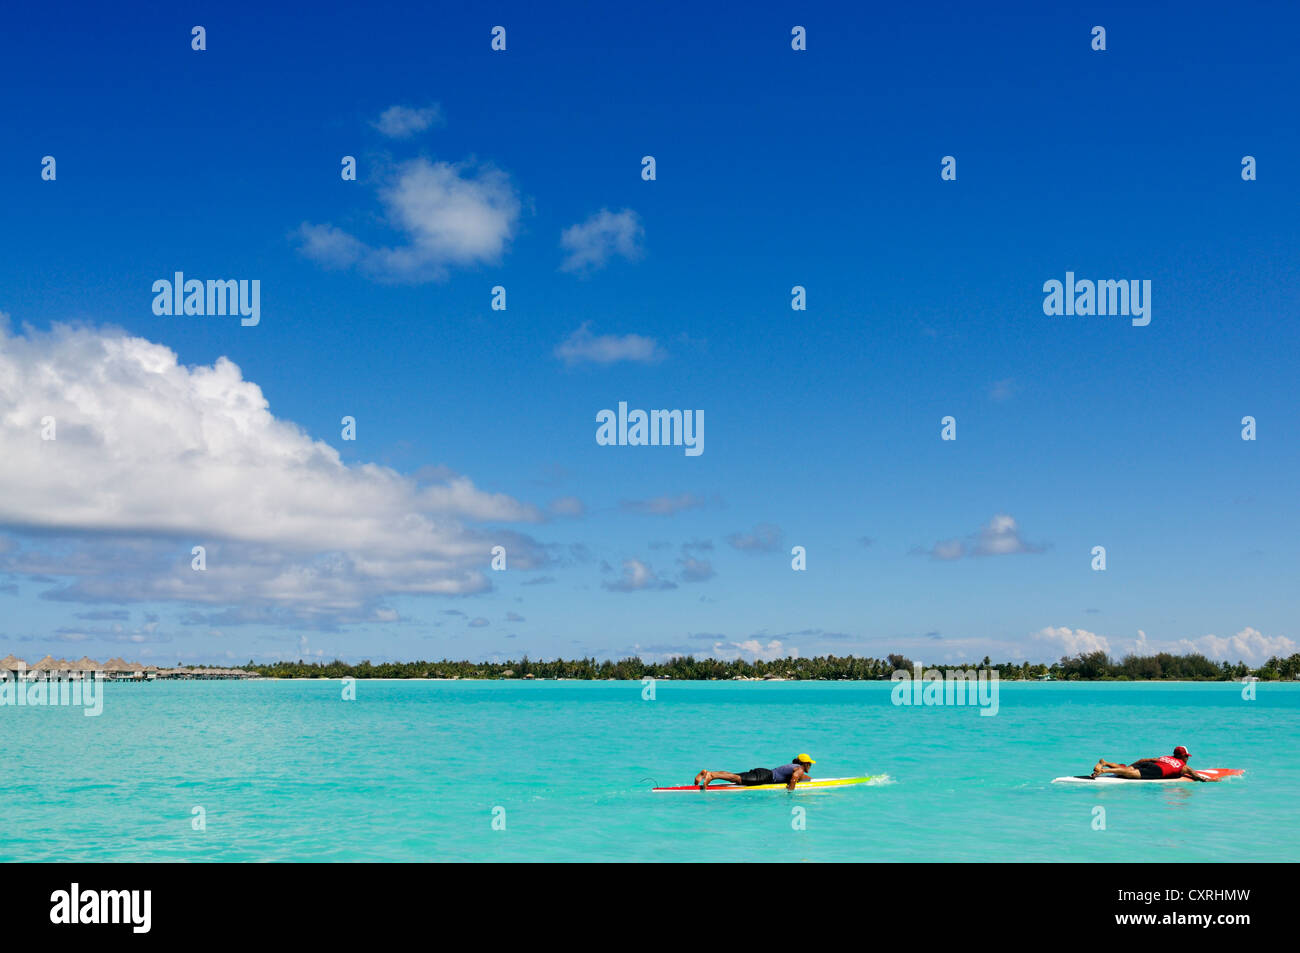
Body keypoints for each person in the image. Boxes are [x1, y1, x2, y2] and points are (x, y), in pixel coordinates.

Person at [1090, 745, 1219, 781]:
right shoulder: (1184, 766)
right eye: (1187, 756)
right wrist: (1212, 780)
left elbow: (1145, 760)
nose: (1188, 758)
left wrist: (1132, 765)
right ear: (1183, 756)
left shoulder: (1164, 757)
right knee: (1129, 774)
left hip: (1150, 764)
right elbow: (1197, 776)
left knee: (1127, 770)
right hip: (1157, 771)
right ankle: (1103, 771)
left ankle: (1104, 762)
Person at [694, 754, 816, 790]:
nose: (810, 765)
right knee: (737, 779)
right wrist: (790, 793)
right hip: (765, 777)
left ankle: (707, 773)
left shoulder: (794, 766)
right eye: (809, 763)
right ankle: (711, 775)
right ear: (804, 764)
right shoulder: (799, 769)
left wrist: (809, 780)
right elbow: (795, 777)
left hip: (764, 772)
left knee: (735, 776)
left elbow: (802, 777)